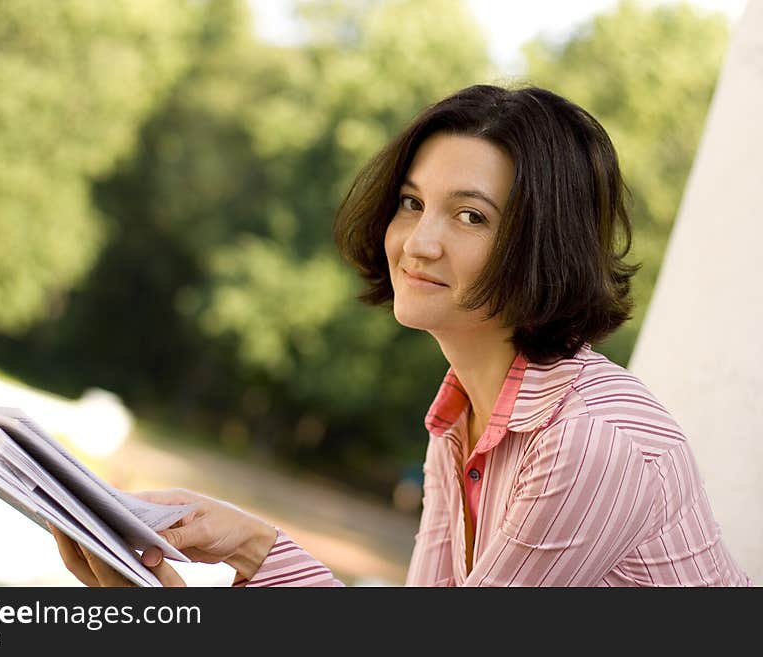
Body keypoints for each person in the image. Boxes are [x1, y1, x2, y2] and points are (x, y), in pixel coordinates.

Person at [51, 83, 752, 587]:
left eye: (470, 216)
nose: (419, 241)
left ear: (544, 245)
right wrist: (243, 540)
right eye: (413, 203)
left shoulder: (590, 439)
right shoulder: (464, 414)